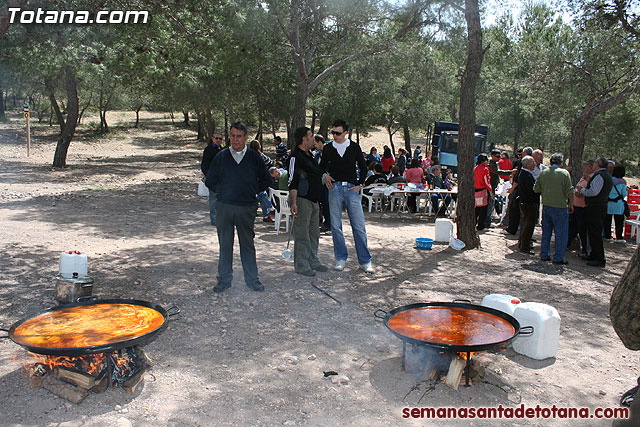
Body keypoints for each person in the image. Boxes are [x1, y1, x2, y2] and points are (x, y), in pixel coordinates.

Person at [205, 122, 272, 293]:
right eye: (232, 135)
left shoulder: (254, 157)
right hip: (224, 207)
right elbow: (210, 180)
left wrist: (251, 191)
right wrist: (224, 192)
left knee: (247, 244)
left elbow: (266, 179)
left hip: (246, 207)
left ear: (245, 137)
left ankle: (252, 280)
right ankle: (224, 280)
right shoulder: (221, 157)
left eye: (239, 136)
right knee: (225, 245)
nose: (235, 139)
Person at [320, 119, 373, 273]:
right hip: (334, 188)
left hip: (351, 189)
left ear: (345, 133)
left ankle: (365, 261)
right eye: (333, 132)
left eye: (337, 132)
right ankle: (340, 258)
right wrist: (324, 175)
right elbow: (322, 166)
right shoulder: (328, 148)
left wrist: (360, 185)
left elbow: (363, 167)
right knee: (336, 226)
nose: (334, 135)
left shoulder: (354, 147)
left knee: (359, 226)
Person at [288, 127, 327, 276]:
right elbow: (292, 181)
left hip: (314, 200)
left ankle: (313, 261)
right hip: (302, 200)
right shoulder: (295, 157)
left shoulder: (309, 155)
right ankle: (302, 265)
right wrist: (293, 202)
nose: (313, 139)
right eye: (311, 136)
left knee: (313, 233)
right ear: (304, 139)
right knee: (302, 234)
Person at [533, 153, 574, 264]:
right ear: (561, 163)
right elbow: (569, 190)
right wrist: (571, 204)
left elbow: (536, 189)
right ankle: (558, 257)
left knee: (546, 232)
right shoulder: (564, 173)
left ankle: (544, 254)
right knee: (561, 234)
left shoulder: (544, 173)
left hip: (546, 205)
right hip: (560, 206)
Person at [576, 157, 614, 268]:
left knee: (595, 232)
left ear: (597, 164)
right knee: (593, 232)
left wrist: (581, 190)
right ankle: (593, 254)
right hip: (599, 206)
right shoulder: (606, 175)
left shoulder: (599, 176)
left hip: (596, 207)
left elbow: (594, 191)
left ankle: (599, 258)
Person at [567, 160, 593, 256]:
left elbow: (591, 192)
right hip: (576, 205)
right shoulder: (584, 176)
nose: (583, 168)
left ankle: (585, 250)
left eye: (586, 166)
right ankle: (567, 243)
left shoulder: (591, 178)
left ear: (591, 167)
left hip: (583, 207)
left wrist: (581, 194)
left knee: (582, 229)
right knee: (573, 226)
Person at [201, 132, 224, 226]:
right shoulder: (209, 149)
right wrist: (208, 176)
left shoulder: (222, 149)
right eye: (217, 138)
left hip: (223, 179)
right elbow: (204, 165)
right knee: (213, 199)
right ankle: (214, 220)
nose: (218, 140)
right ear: (212, 139)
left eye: (220, 138)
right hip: (213, 179)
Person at [517, 156, 539, 254]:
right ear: (527, 164)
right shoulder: (525, 175)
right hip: (529, 203)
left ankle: (522, 243)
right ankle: (524, 246)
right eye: (532, 162)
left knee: (526, 224)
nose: (534, 164)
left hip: (526, 202)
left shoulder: (526, 174)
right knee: (528, 225)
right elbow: (532, 190)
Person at [249, 140, 275, 223]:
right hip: (259, 179)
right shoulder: (261, 156)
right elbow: (270, 162)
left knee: (261, 195)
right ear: (259, 146)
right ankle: (269, 209)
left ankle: (266, 214)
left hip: (251, 179)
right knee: (261, 194)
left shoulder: (247, 155)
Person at [605, 165, 628, 243]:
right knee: (619, 221)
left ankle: (607, 236)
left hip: (608, 203)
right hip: (618, 204)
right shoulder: (622, 182)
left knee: (607, 221)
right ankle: (619, 237)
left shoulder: (609, 180)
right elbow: (624, 194)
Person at [313, 134, 331, 232]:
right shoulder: (317, 154)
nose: (314, 145)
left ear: (320, 142)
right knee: (322, 204)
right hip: (319, 183)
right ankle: (322, 222)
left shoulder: (329, 152)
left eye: (315, 143)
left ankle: (329, 224)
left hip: (327, 183)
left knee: (327, 204)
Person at [474, 154, 493, 230]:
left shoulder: (475, 169)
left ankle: (473, 223)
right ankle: (481, 226)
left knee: (477, 209)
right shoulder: (485, 169)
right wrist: (490, 191)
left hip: (476, 190)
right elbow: (486, 181)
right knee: (483, 209)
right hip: (483, 191)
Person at [485, 149, 501, 228]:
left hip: (493, 187)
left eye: (499, 156)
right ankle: (487, 222)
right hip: (489, 188)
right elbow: (498, 172)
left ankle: (487, 221)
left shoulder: (495, 164)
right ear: (492, 156)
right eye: (497, 156)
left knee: (491, 205)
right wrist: (510, 172)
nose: (499, 158)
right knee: (489, 205)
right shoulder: (490, 164)